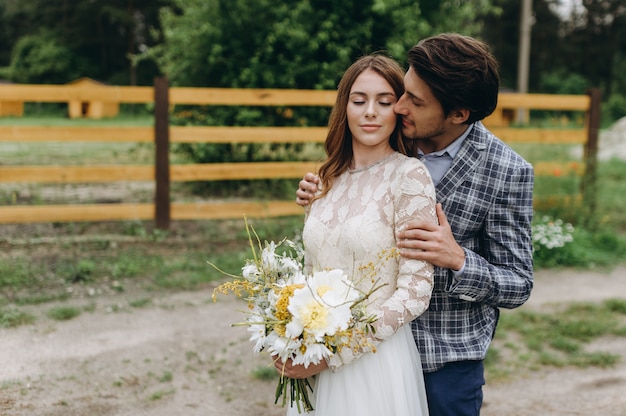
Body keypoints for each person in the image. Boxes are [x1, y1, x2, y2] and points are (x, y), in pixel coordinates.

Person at [295, 34, 535, 416]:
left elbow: (519, 284)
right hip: (359, 351)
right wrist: (323, 201)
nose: (399, 107)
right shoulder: (389, 140)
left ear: (458, 114)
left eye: (414, 101)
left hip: (445, 362)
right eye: (402, 92)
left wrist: (459, 259)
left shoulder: (506, 172)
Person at [274, 54, 437, 415]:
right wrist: (287, 331)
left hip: (374, 360)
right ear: (344, 106)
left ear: (399, 110)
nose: (370, 112)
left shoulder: (410, 177)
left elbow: (416, 290)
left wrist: (337, 352)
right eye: (359, 100)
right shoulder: (326, 178)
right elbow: (313, 270)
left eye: (384, 101)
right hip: (313, 352)